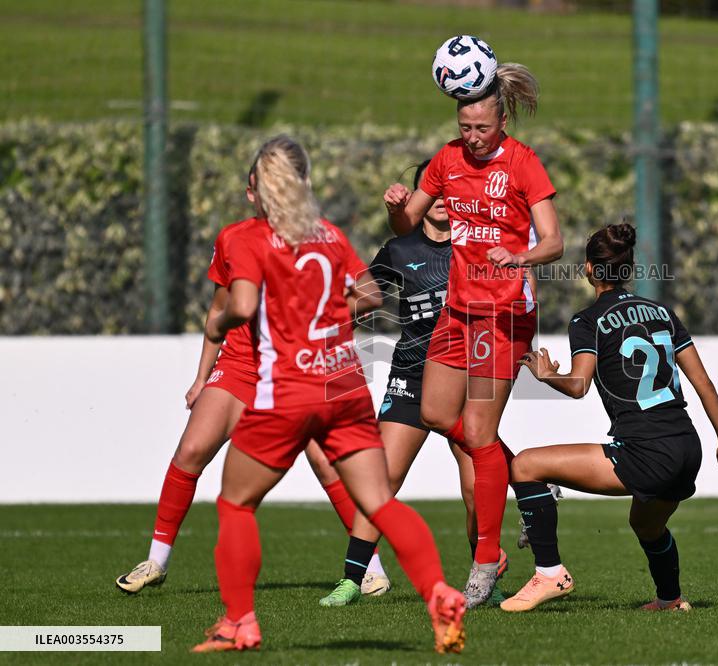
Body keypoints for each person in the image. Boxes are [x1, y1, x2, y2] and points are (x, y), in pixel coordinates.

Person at [190, 136, 465, 653]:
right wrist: (331, 315)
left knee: (236, 503)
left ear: (258, 190)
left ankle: (239, 623)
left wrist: (218, 318)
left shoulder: (242, 237)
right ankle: (438, 593)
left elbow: (243, 305)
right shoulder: (330, 236)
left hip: (286, 391)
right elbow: (372, 295)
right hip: (341, 385)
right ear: (306, 184)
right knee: (379, 500)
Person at [115, 160, 388, 596]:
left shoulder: (321, 236)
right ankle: (156, 561)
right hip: (241, 364)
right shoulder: (236, 238)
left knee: (325, 462)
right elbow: (219, 309)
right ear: (251, 194)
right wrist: (201, 377)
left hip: (299, 368)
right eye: (263, 187)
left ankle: (370, 567)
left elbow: (371, 294)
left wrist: (324, 320)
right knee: (191, 449)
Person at [384, 63, 564, 607]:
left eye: (481, 128)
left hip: (504, 314)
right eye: (465, 128)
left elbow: (554, 242)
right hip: (459, 311)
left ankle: (487, 559)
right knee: (437, 414)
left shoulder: (524, 163)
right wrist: (396, 207)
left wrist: (521, 254)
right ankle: (527, 479)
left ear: (500, 119)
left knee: (479, 433)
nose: (473, 137)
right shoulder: (445, 159)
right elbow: (406, 225)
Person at [499, 223, 718, 613]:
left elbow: (580, 385)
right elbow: (704, 383)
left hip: (645, 451)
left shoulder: (588, 321)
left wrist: (546, 375)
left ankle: (550, 572)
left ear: (589, 270)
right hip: (687, 447)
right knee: (646, 525)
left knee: (526, 465)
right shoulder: (662, 312)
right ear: (628, 269)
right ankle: (670, 599)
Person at [318, 159, 491, 606]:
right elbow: (363, 301)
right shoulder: (399, 250)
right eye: (429, 193)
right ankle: (353, 579)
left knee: (475, 486)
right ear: (419, 199)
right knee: (381, 480)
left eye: (448, 191)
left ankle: (482, 577)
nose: (440, 201)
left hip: (469, 378)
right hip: (412, 376)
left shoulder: (476, 248)